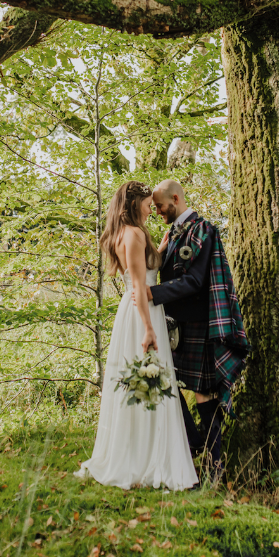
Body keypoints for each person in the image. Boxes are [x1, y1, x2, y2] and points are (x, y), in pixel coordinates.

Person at [75, 181, 198, 491]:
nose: (151, 209)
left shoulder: (137, 233)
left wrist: (164, 243)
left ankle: (149, 450)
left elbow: (147, 268)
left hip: (146, 311)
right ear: (135, 204)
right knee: (146, 384)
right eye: (147, 203)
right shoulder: (131, 235)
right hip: (141, 315)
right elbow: (140, 289)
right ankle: (142, 458)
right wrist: (147, 330)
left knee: (151, 385)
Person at [133, 180, 248, 477]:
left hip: (200, 325)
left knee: (204, 393)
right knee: (162, 380)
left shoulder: (204, 230)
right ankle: (194, 443)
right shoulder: (172, 233)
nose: (157, 211)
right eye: (154, 207)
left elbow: (196, 281)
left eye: (160, 206)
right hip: (174, 326)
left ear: (175, 199)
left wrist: (152, 293)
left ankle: (214, 467)